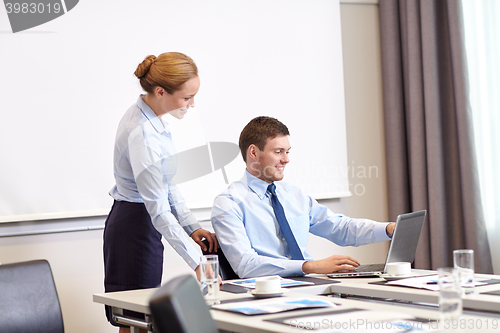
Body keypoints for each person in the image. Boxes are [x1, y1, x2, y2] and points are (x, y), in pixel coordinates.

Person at [103, 52, 217, 332]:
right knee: (135, 319)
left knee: (140, 318)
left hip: (140, 221)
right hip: (135, 226)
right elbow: (159, 210)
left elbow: (167, 182)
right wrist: (197, 262)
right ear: (160, 91)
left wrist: (191, 226)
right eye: (187, 97)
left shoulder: (151, 116)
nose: (192, 105)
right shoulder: (143, 133)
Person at [211, 116, 395, 279]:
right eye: (278, 152)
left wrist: (388, 229)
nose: (286, 159)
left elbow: (340, 228)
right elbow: (246, 265)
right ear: (253, 153)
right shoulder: (228, 203)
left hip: (311, 284)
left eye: (287, 152)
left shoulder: (293, 195)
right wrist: (310, 266)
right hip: (269, 293)